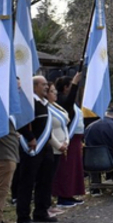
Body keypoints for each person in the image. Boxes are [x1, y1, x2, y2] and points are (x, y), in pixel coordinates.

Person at [16, 76, 56, 223]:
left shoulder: (44, 103)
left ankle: (41, 211)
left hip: (45, 147)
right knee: (27, 182)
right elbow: (20, 122)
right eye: (43, 84)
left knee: (45, 180)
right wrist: (30, 137)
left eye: (47, 84)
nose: (46, 87)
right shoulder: (29, 103)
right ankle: (23, 216)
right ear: (34, 86)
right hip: (31, 147)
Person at [53, 73, 85, 208]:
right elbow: (68, 103)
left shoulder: (70, 102)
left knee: (73, 169)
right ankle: (63, 196)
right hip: (68, 139)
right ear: (66, 87)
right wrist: (75, 84)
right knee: (66, 169)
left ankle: (70, 193)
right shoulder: (61, 100)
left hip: (76, 139)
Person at [46, 82, 70, 215]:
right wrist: (58, 145)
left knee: (53, 176)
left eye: (55, 91)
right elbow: (48, 130)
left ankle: (50, 203)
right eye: (52, 91)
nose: (55, 93)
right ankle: (46, 205)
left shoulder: (56, 106)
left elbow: (64, 124)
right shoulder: (46, 107)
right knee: (48, 177)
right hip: (53, 146)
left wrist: (66, 141)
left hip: (62, 143)